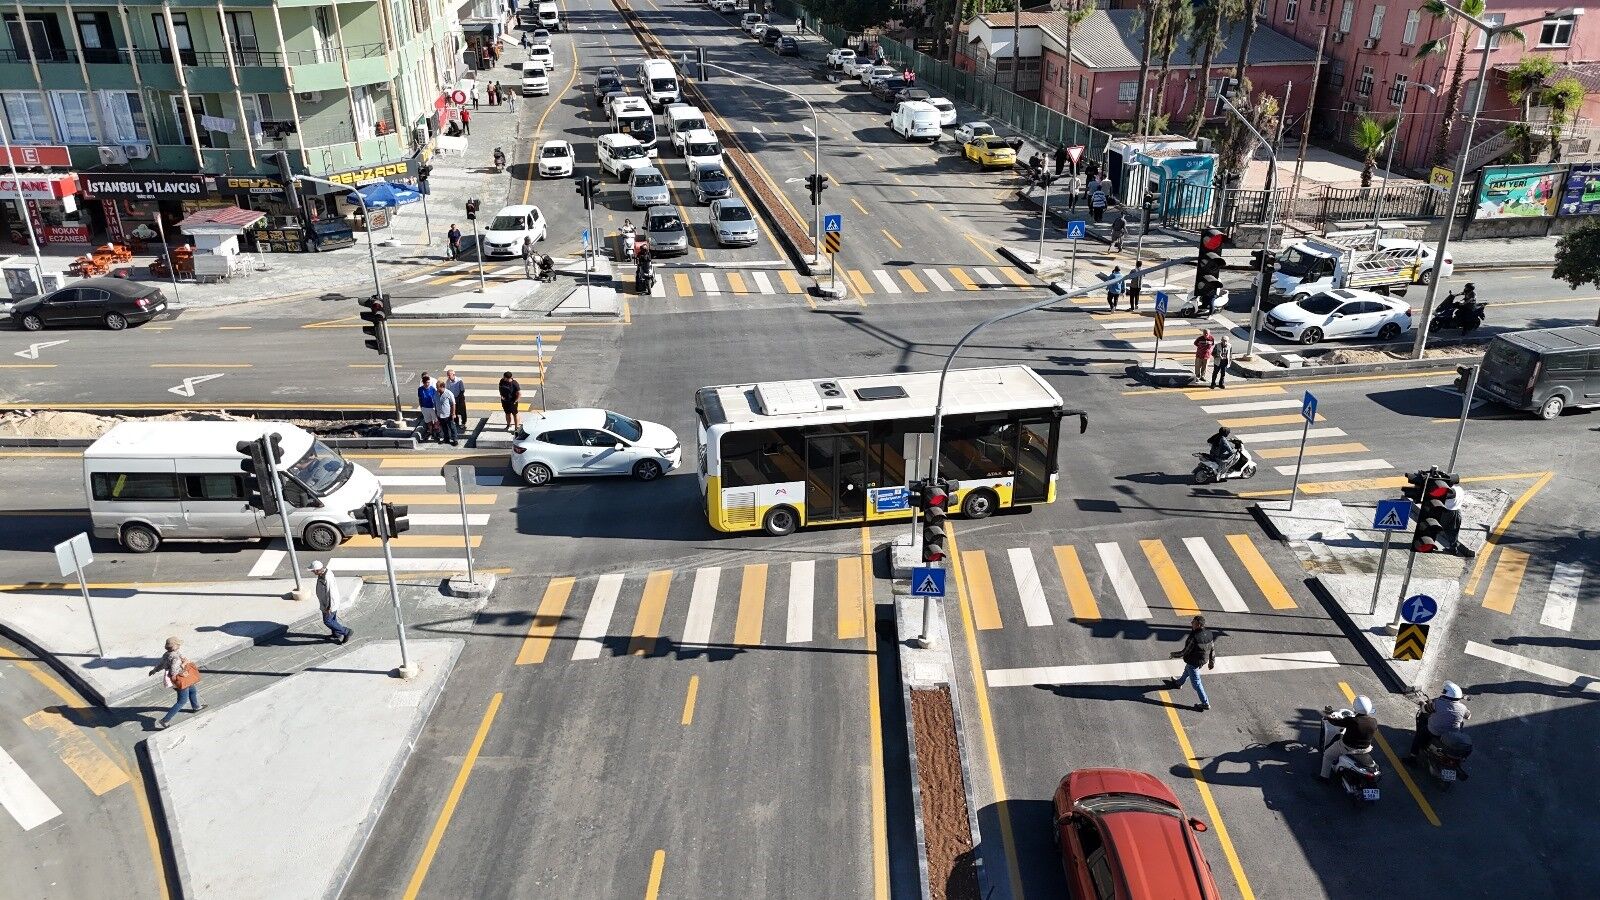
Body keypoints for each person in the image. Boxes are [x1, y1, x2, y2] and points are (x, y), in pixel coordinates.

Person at [148, 636, 203, 729]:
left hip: (178, 680)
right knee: (182, 701)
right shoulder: (176, 657)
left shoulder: (167, 654)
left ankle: (196, 706)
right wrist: (184, 664)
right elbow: (174, 671)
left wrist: (154, 670)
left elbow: (161, 664)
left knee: (192, 690)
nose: (179, 646)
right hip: (180, 679)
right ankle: (165, 720)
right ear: (176, 646)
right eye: (178, 644)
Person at [1320, 696, 1379, 780]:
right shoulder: (1373, 721)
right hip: (1366, 749)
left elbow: (1336, 722)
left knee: (1327, 755)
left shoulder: (1352, 721)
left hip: (1348, 748)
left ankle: (1324, 777)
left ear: (1355, 706)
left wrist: (1329, 717)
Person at [1165, 615, 1215, 711]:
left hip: (1194, 661)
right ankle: (1179, 683)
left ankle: (1205, 703)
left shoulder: (1194, 637)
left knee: (1196, 683)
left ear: (1199, 625)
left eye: (1193, 622)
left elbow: (1184, 652)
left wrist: (1173, 654)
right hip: (1202, 659)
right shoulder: (1208, 634)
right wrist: (1211, 662)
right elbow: (1212, 648)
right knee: (1188, 669)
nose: (1191, 623)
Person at [1409, 681, 1470, 760]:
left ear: (1447, 694)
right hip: (1451, 735)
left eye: (1444, 692)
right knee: (1461, 723)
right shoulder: (1463, 708)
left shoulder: (1437, 704)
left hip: (1435, 732)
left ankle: (1412, 757)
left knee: (1419, 736)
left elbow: (1424, 710)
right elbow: (1468, 716)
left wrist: (1422, 703)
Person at [310, 561, 352, 645]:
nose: (312, 572)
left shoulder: (327, 578)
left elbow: (330, 593)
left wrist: (329, 607)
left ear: (317, 570)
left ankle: (346, 631)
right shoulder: (322, 574)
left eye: (313, 570)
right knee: (332, 619)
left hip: (329, 604)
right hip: (328, 602)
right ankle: (337, 634)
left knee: (327, 621)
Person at [417, 373, 441, 442]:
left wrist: (436, 408)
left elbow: (436, 398)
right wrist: (421, 407)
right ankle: (430, 432)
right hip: (425, 408)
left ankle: (437, 433)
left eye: (428, 382)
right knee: (428, 421)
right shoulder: (420, 389)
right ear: (423, 383)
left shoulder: (432, 389)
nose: (427, 384)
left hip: (432, 407)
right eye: (426, 382)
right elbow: (420, 398)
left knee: (436, 421)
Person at [435, 379, 457, 445]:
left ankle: (455, 440)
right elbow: (435, 402)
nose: (436, 388)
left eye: (437, 387)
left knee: (452, 427)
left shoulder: (448, 393)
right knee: (444, 427)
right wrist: (436, 412)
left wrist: (453, 414)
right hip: (440, 415)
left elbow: (453, 404)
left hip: (448, 415)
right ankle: (446, 439)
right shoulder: (436, 393)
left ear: (442, 387)